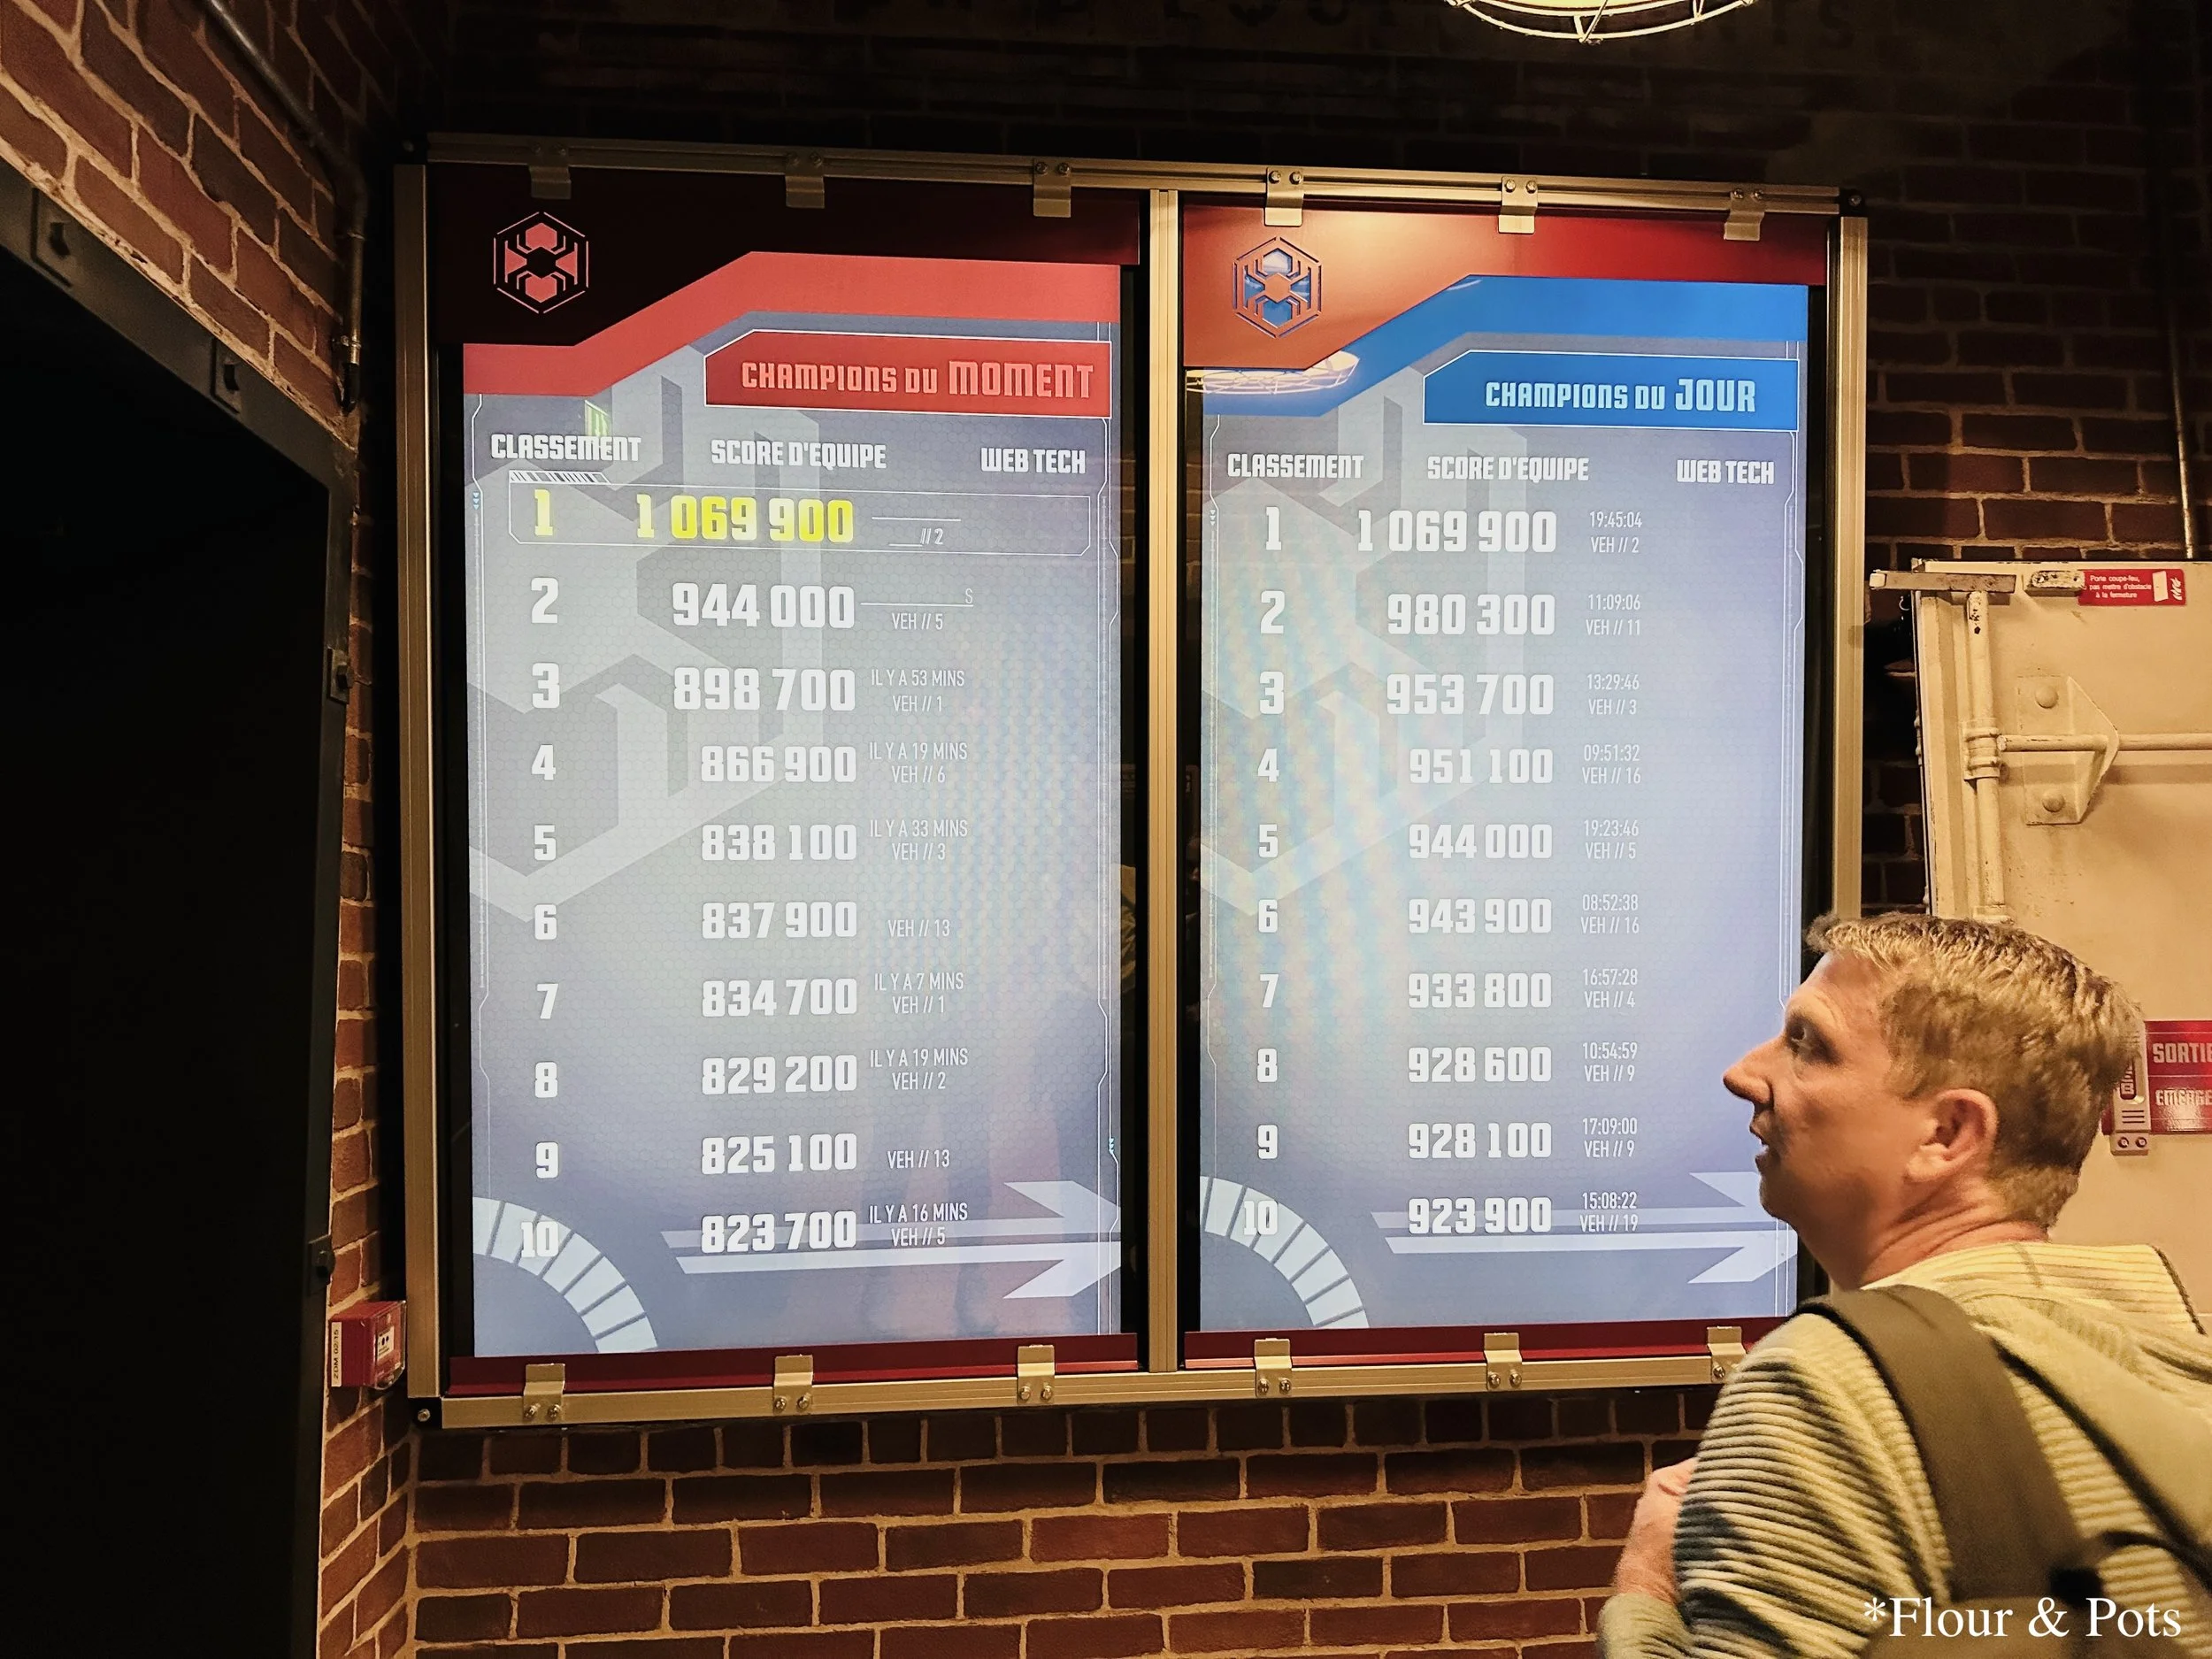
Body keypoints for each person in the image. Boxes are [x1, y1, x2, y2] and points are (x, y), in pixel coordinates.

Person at [1600, 913, 2212, 1659]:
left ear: (1947, 1135)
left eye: (1808, 1046)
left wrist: (1648, 1588)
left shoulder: (1822, 1390)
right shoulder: (2182, 1346)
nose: (1745, 1072)